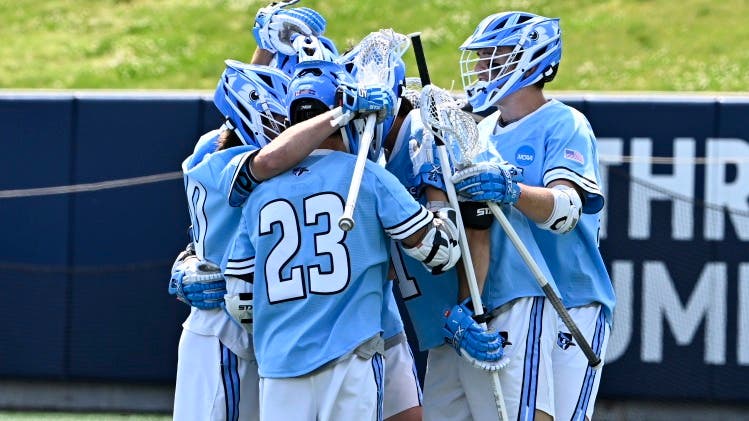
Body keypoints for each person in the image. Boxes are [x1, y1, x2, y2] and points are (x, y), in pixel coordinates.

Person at [238, 59, 462, 421]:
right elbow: (440, 252)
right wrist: (437, 192)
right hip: (349, 356)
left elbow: (241, 298)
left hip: (278, 365)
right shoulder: (369, 178)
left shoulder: (259, 195)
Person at [452, 11, 615, 421]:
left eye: (495, 54)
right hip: (518, 297)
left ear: (530, 59)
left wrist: (512, 189)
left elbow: (566, 211)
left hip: (571, 295)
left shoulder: (565, 123)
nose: (482, 65)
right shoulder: (482, 131)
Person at [169, 59, 345, 421]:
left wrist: (187, 258)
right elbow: (267, 163)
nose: (288, 128)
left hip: (255, 323)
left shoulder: (211, 153)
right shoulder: (234, 162)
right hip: (226, 323)